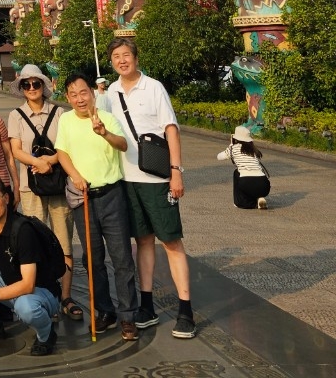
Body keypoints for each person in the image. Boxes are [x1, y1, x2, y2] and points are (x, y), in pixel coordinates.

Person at [106, 35, 195, 338]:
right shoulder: (111, 92)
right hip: (127, 179)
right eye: (116, 56)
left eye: (126, 55)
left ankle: (185, 310)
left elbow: (171, 130)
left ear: (136, 58)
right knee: (142, 241)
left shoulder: (154, 87)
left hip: (157, 179)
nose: (122, 61)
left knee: (171, 241)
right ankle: (146, 305)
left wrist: (176, 172)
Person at [54, 71, 138, 342]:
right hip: (84, 198)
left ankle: (128, 315)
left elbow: (123, 145)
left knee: (122, 257)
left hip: (111, 195)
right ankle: (105, 311)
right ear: (67, 97)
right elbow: (62, 153)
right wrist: (74, 176)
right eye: (73, 95)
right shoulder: (66, 120)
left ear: (92, 93)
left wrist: (104, 133)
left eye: (83, 93)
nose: (80, 99)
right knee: (92, 259)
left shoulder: (107, 118)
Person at [0, 174, 62, 354]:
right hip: (9, 284)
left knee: (25, 307)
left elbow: (28, 284)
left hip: (40, 292)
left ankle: (46, 335)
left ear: (6, 198)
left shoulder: (23, 230)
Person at [7, 63, 78, 320]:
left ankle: (66, 296)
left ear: (43, 86)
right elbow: (16, 150)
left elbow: (67, 145)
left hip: (58, 185)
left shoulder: (60, 113)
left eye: (36, 83)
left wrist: (50, 161)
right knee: (35, 243)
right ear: (22, 88)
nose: (32, 88)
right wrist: (38, 162)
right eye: (26, 84)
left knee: (63, 241)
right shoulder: (16, 115)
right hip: (30, 187)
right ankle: (45, 295)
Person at [217, 125, 271, 210]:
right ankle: (259, 198)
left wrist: (231, 144)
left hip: (247, 183)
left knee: (236, 173)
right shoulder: (253, 149)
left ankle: (245, 203)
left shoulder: (233, 148)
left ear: (236, 138)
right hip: (264, 185)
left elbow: (219, 157)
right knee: (251, 184)